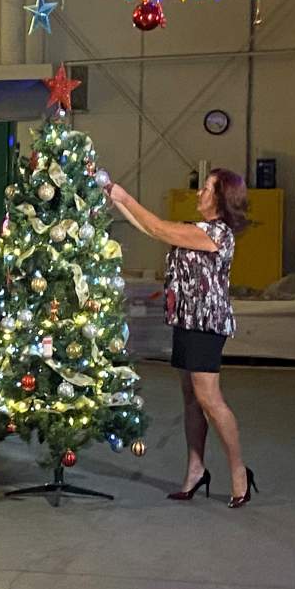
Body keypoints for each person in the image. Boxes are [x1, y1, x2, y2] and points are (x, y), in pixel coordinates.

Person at [105, 170, 258, 508]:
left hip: (206, 324)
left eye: (205, 189)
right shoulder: (196, 229)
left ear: (220, 199)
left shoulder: (215, 234)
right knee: (191, 397)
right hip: (186, 320)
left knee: (210, 399)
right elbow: (150, 228)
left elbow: (158, 227)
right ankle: (195, 469)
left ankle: (239, 472)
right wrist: (116, 200)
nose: (198, 194)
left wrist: (124, 196)